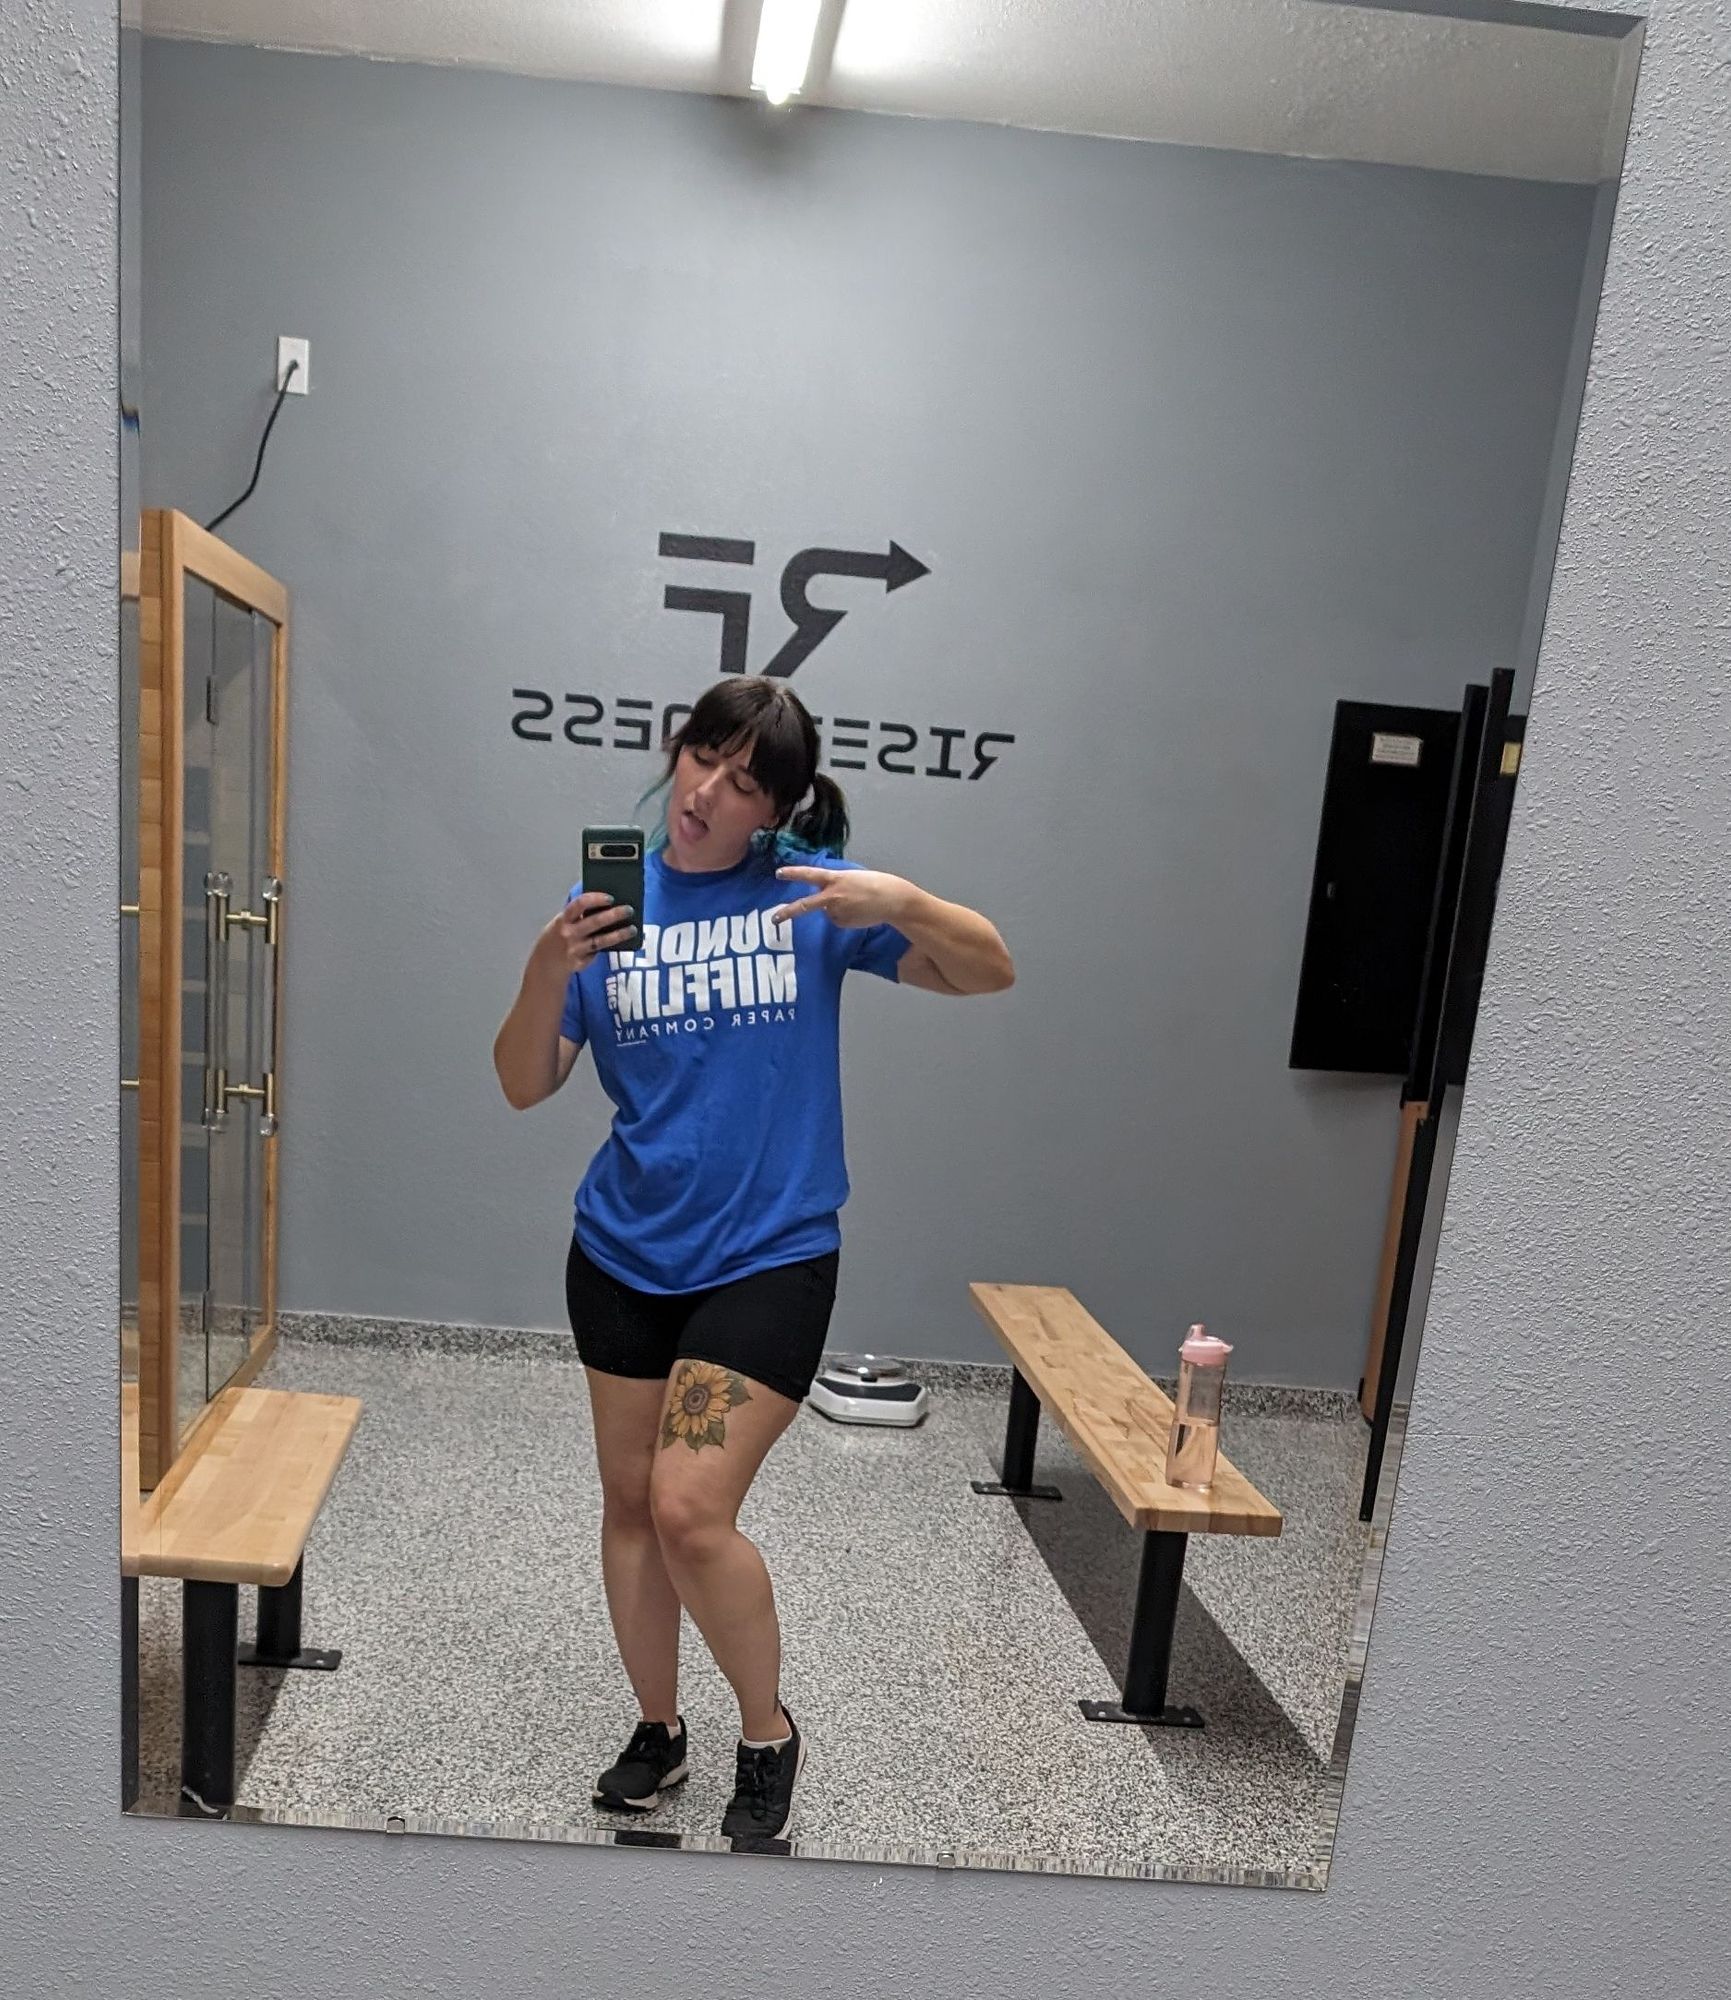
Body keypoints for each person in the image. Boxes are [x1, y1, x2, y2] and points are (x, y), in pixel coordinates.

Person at [492, 674, 1014, 1845]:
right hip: (623, 1250)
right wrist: (543, 963)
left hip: (767, 1257)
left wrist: (904, 898)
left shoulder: (809, 898)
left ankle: (768, 1730)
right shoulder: (610, 897)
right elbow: (525, 1081)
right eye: (699, 757)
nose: (707, 791)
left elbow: (992, 968)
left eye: (742, 780)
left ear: (776, 806)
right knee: (629, 1503)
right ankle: (660, 1727)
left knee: (687, 1503)